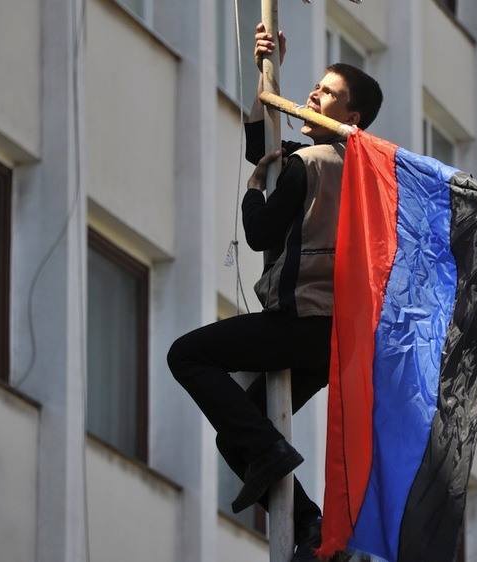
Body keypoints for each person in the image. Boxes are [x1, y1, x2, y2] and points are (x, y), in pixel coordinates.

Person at [167, 23, 383, 562]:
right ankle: (312, 531)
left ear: (350, 117)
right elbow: (261, 143)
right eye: (316, 86)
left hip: (300, 319)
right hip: (333, 341)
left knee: (187, 355)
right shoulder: (364, 171)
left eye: (328, 93)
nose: (314, 95)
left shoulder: (307, 165)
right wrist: (268, 71)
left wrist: (252, 194)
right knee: (236, 434)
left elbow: (261, 231)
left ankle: (272, 454)